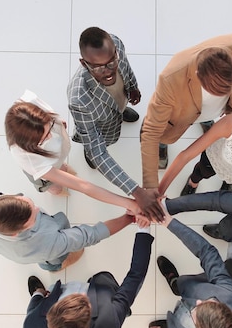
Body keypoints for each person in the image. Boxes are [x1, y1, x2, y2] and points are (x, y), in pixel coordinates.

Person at [67, 26, 163, 221]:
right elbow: (98, 151)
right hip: (101, 126)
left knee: (118, 107)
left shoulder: (115, 43)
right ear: (84, 64)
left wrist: (133, 88)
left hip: (119, 101)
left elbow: (126, 68)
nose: (109, 71)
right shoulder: (79, 98)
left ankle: (120, 112)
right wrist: (136, 192)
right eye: (99, 67)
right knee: (97, 148)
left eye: (112, 62)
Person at [140, 33, 232, 193]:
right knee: (162, 135)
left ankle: (206, 120)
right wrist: (151, 187)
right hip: (180, 114)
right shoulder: (170, 79)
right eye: (215, 91)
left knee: (211, 117)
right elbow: (151, 132)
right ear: (197, 76)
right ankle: (164, 145)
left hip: (214, 112)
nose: (222, 95)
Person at [5, 90, 141, 216]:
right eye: (43, 138)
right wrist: (129, 203)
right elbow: (83, 186)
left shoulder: (29, 106)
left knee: (62, 166)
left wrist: (58, 123)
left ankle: (61, 168)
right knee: (55, 188)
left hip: (55, 156)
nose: (50, 137)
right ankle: (55, 187)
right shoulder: (29, 160)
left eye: (49, 128)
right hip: (43, 170)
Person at [147, 205, 232, 328]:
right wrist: (169, 222)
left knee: (171, 322)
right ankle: (175, 283)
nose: (199, 301)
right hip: (190, 288)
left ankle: (171, 325)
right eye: (210, 303)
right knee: (184, 287)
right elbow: (207, 253)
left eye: (197, 309)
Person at [23, 226, 153, 328]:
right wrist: (144, 229)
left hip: (51, 299)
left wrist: (38, 293)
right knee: (114, 292)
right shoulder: (111, 321)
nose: (81, 294)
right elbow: (136, 275)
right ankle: (124, 308)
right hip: (107, 299)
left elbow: (32, 309)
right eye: (84, 299)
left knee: (47, 293)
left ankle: (122, 306)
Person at [0, 192, 135, 272]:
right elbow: (92, 234)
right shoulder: (46, 244)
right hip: (41, 252)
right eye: (33, 216)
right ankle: (54, 267)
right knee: (55, 260)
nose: (38, 209)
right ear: (15, 233)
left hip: (0, 245)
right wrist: (129, 218)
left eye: (30, 203)